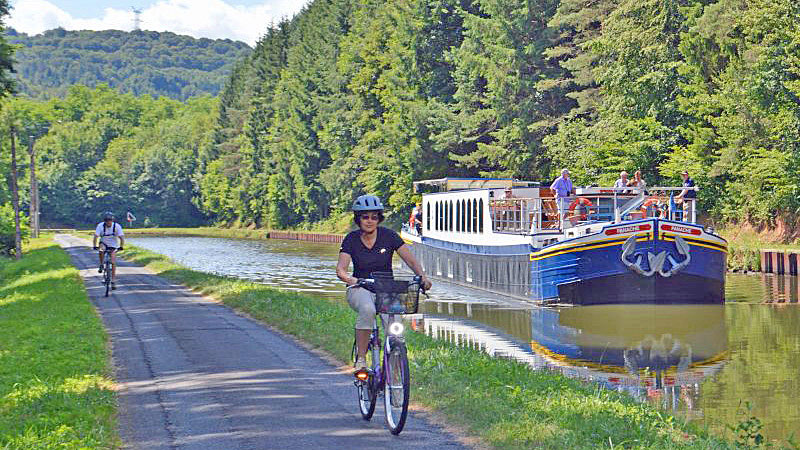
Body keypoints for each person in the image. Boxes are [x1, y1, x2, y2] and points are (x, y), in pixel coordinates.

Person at [336, 195, 432, 371]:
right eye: (365, 217)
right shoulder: (351, 239)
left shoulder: (389, 236)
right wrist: (352, 280)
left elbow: (411, 261)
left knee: (395, 330)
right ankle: (362, 359)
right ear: (358, 219)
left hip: (386, 288)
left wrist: (422, 277)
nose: (370, 221)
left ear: (379, 218)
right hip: (360, 286)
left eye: (374, 217)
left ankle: (395, 368)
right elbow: (341, 270)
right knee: (368, 310)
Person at [92, 211, 125, 290]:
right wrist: (94, 245)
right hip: (104, 243)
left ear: (112, 220)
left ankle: (113, 280)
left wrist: (121, 246)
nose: (108, 222)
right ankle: (101, 264)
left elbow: (122, 237)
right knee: (101, 250)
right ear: (104, 221)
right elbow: (96, 236)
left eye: (110, 220)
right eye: (107, 221)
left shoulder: (117, 226)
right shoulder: (100, 226)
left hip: (113, 245)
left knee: (113, 262)